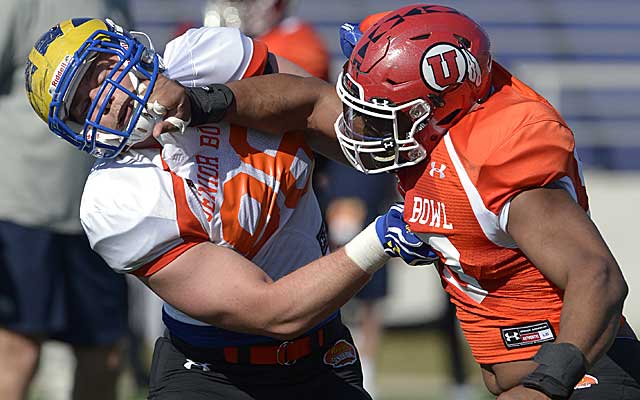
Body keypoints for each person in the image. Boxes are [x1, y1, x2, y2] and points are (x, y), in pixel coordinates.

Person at [147, 4, 640, 399]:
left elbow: (596, 276)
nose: (359, 127)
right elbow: (309, 102)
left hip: (581, 378)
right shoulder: (431, 134)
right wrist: (209, 102)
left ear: (434, 110)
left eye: (378, 113)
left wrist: (549, 383)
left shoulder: (495, 158)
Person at [24, 17, 437, 400]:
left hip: (322, 350)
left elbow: (319, 108)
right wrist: (385, 237)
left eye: (98, 70)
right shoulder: (117, 198)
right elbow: (271, 311)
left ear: (126, 47)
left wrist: (207, 101)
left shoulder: (204, 57)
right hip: (212, 374)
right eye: (81, 103)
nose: (103, 96)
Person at [0, 3, 129, 400]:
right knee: (18, 348)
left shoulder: (116, 4)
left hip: (101, 210)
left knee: (105, 352)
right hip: (22, 207)